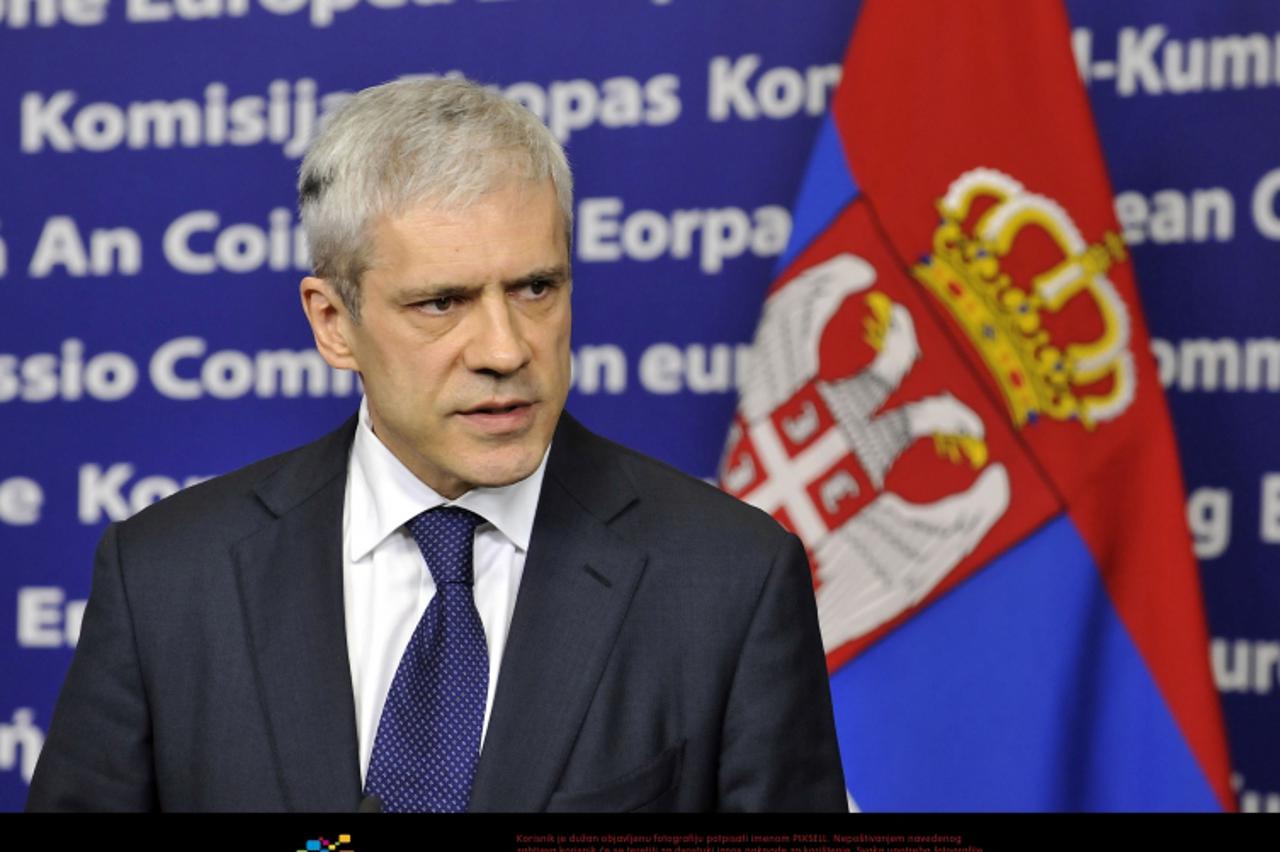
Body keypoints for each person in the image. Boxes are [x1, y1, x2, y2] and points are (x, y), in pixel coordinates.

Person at [27, 77, 846, 812]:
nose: (504, 348)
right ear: (333, 323)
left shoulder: (728, 579)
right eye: (441, 302)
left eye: (535, 288)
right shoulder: (169, 578)